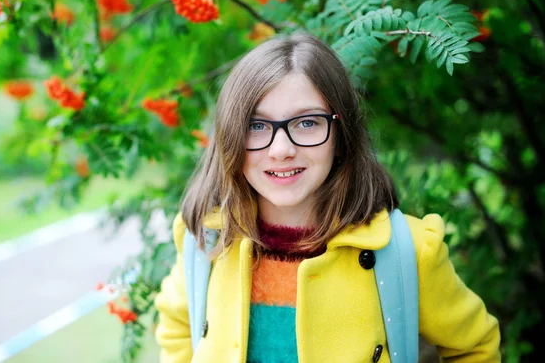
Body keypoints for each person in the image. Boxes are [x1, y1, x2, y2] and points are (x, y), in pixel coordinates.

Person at [153, 32, 501, 362]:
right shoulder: (204, 241)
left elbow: (476, 346)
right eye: (256, 126)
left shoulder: (404, 251)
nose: (281, 149)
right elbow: (177, 329)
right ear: (230, 136)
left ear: (341, 132)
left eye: (307, 123)